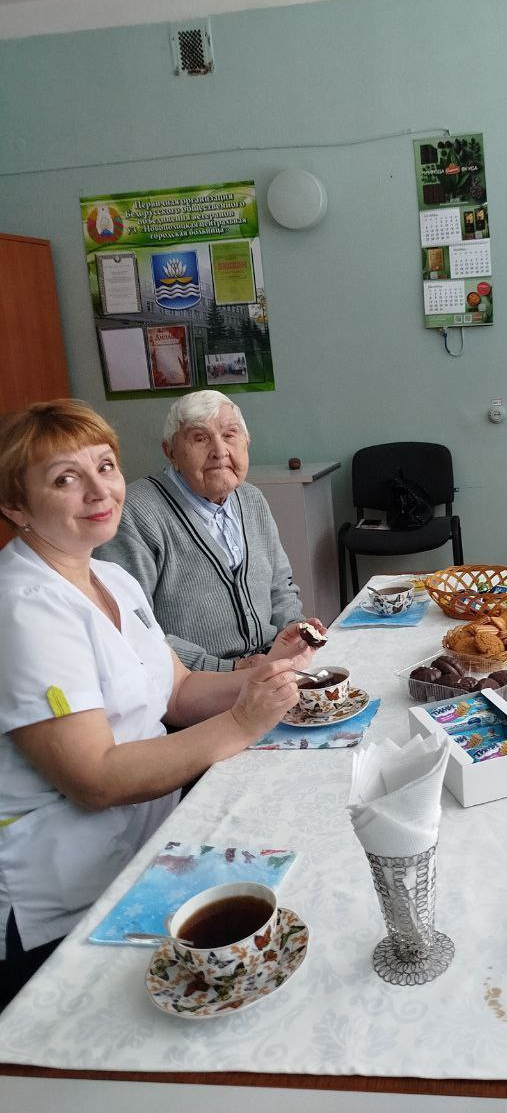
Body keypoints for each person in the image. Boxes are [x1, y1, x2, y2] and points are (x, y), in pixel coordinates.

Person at [0, 399, 314, 1008]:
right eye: (65, 479)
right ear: (16, 505)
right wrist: (243, 721)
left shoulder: (111, 580)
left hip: (147, 860)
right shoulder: (24, 608)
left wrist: (270, 671)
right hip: (65, 896)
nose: (99, 490)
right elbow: (93, 778)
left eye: (106, 466)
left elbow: (177, 690)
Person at [97, 390, 325, 671]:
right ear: (170, 452)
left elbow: (280, 586)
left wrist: (294, 633)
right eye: (200, 438)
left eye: (230, 435)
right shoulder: (135, 513)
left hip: (269, 669)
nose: (220, 451)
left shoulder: (251, 499)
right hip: (191, 683)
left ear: (246, 442)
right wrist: (230, 670)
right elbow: (133, 625)